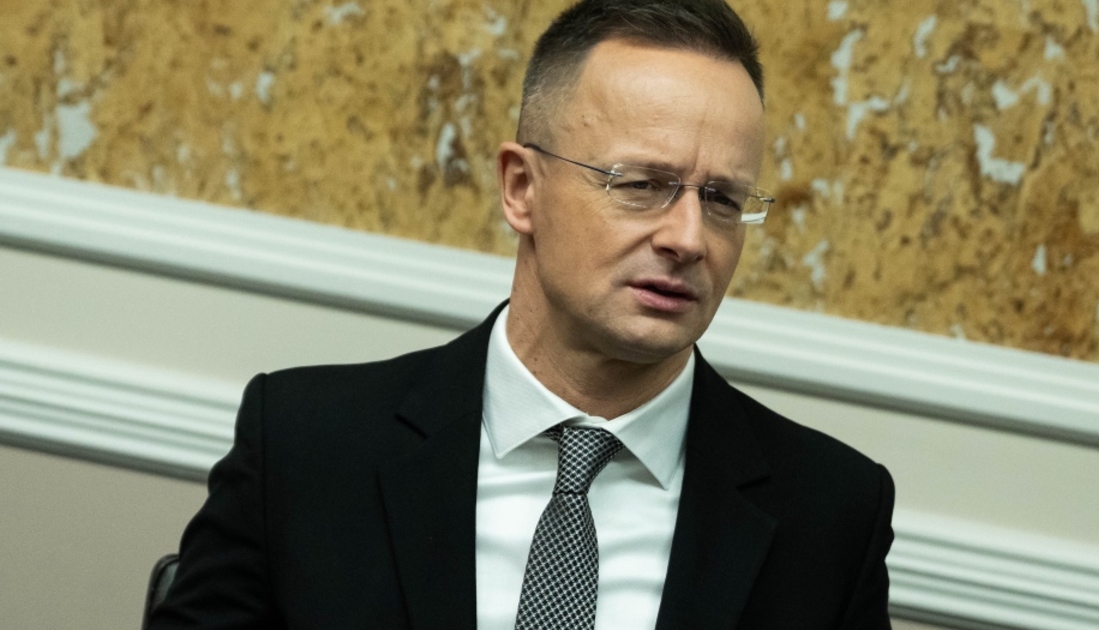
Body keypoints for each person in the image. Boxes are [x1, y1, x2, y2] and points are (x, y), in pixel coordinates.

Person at [148, 0, 895, 628]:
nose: (689, 239)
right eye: (642, 185)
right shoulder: (305, 446)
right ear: (520, 188)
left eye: (722, 199)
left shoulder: (830, 515)